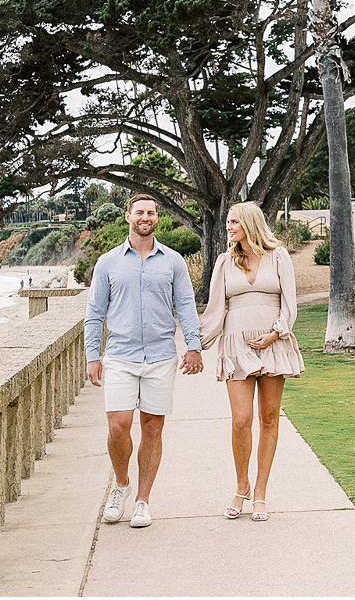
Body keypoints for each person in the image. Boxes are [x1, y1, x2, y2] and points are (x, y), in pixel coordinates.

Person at [84, 193, 203, 529]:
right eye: (139, 212)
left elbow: (187, 306)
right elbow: (94, 314)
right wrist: (93, 355)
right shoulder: (108, 263)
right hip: (120, 356)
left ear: (156, 218)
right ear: (128, 217)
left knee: (152, 428)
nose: (145, 217)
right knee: (118, 425)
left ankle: (142, 501)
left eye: (151, 212)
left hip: (161, 357)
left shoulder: (174, 262)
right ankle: (121, 485)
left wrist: (193, 347)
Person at [199, 201, 304, 522]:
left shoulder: (279, 256)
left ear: (249, 223)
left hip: (274, 344)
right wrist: (196, 345)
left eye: (233, 222)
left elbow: (290, 303)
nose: (228, 227)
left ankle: (260, 493)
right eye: (228, 223)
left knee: (269, 419)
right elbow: (215, 309)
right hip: (236, 347)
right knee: (241, 420)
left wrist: (276, 333)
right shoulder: (224, 262)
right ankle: (241, 486)